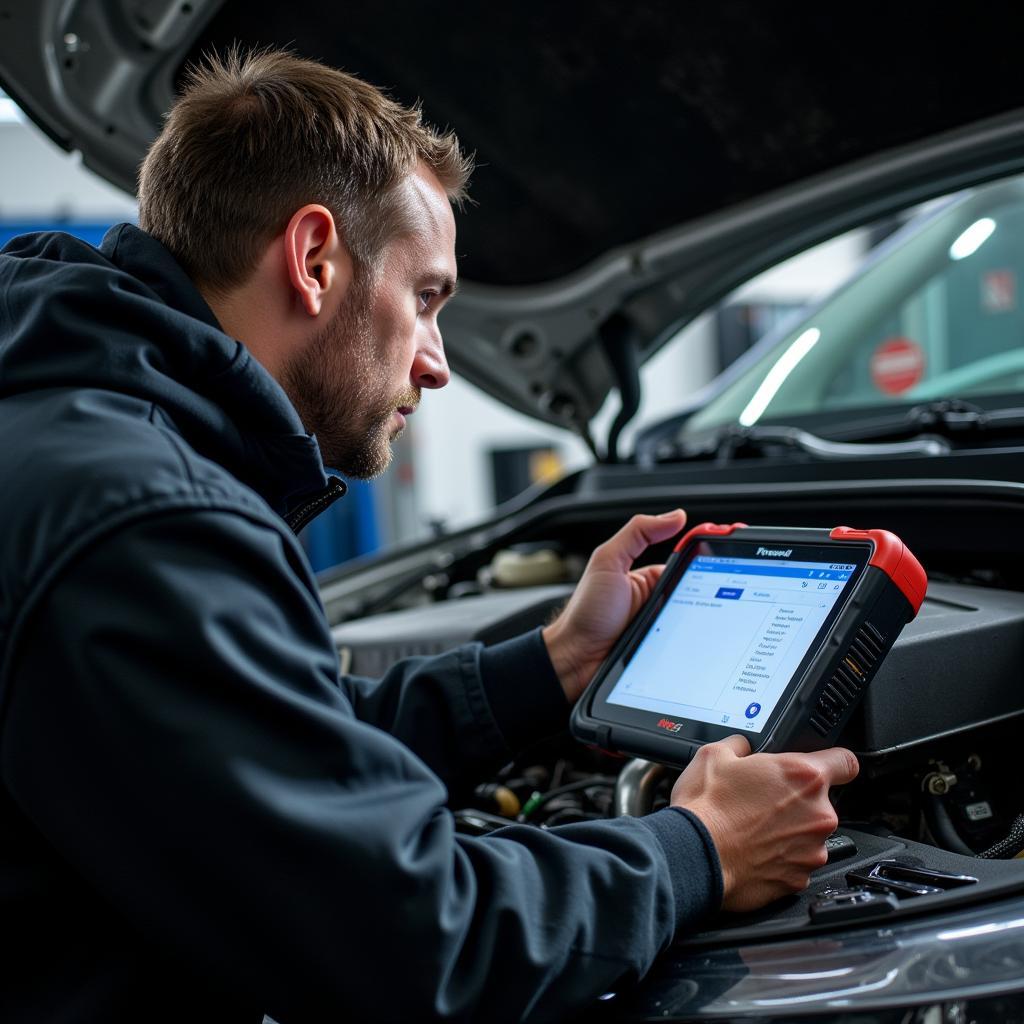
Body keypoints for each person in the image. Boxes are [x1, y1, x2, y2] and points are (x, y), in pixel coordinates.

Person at [0, 48, 857, 1022]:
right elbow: (414, 939)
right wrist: (697, 848)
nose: (438, 361)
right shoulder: (146, 518)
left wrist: (552, 664)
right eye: (427, 297)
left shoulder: (63, 432)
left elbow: (266, 749)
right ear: (314, 258)